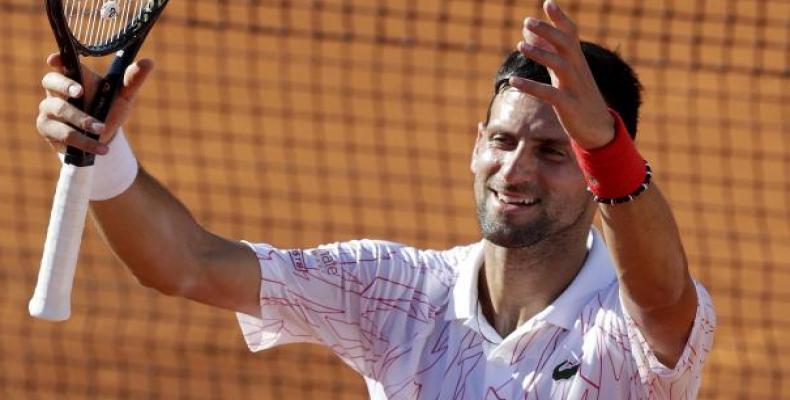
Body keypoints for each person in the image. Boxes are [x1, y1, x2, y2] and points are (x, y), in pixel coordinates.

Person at [35, 1, 715, 398]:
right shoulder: (396, 291)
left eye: (552, 152)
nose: (514, 170)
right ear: (476, 143)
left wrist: (605, 146)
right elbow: (187, 262)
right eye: (502, 141)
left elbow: (661, 297)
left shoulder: (625, 327)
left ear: (598, 170)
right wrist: (105, 153)